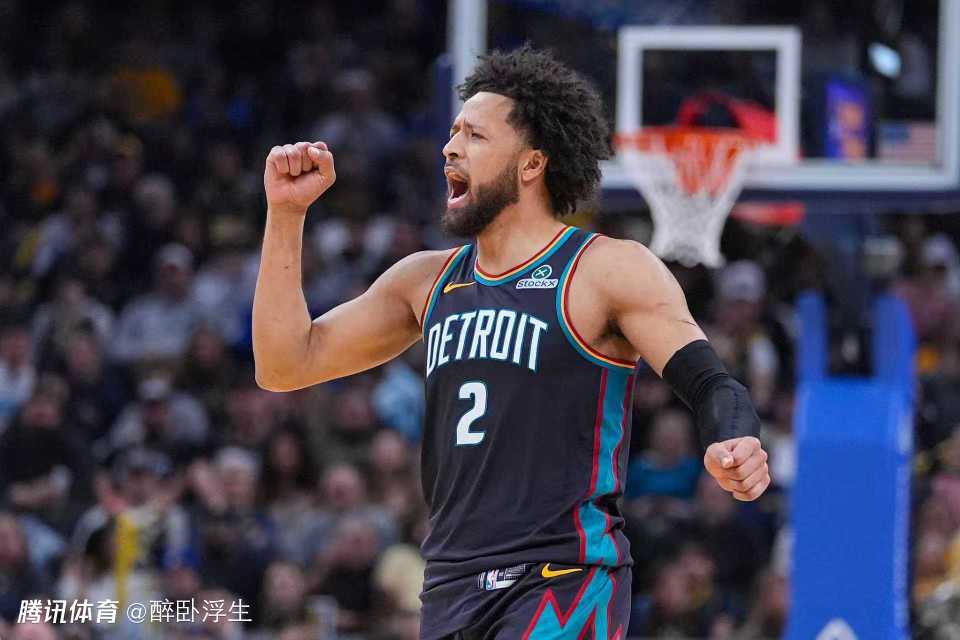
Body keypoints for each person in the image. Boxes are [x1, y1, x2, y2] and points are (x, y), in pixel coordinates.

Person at [253, 45, 769, 639]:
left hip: (561, 580)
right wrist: (286, 215)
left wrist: (735, 437)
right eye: (453, 132)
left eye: (474, 135)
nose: (450, 147)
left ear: (531, 164)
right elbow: (283, 364)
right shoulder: (424, 281)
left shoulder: (604, 270)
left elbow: (709, 382)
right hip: (449, 588)